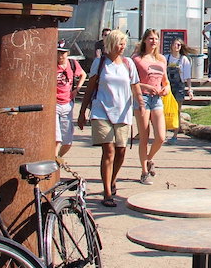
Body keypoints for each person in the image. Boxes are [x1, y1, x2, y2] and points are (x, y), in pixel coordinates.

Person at [77, 29, 142, 207]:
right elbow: (90, 88)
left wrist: (141, 105)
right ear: (111, 44)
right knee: (109, 151)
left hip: (122, 112)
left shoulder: (128, 63)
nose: (123, 47)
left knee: (121, 151)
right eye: (120, 43)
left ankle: (112, 179)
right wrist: (82, 112)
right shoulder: (100, 63)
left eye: (124, 43)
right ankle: (107, 193)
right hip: (101, 110)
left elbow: (135, 85)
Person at [132, 29, 169, 183]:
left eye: (156, 39)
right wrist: (146, 87)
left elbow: (165, 81)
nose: (153, 41)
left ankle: (149, 158)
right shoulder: (136, 59)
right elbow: (131, 82)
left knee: (160, 137)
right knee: (144, 137)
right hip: (143, 98)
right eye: (150, 38)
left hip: (157, 99)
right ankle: (144, 172)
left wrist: (166, 89)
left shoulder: (161, 59)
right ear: (145, 40)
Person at [55, 44, 86, 166]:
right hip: (55, 104)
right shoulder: (52, 64)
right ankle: (54, 163)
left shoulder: (72, 64)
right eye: (58, 52)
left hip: (67, 103)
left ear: (67, 53)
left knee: (67, 141)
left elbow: (83, 74)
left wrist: (77, 89)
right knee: (57, 139)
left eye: (63, 53)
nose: (60, 56)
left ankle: (57, 158)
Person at [164, 38, 186, 143]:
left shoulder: (183, 59)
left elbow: (187, 76)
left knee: (177, 111)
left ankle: (175, 135)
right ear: (171, 46)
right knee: (164, 110)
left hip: (179, 87)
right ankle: (163, 133)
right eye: (175, 44)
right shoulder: (166, 58)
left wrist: (190, 89)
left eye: (179, 45)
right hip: (167, 87)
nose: (177, 47)